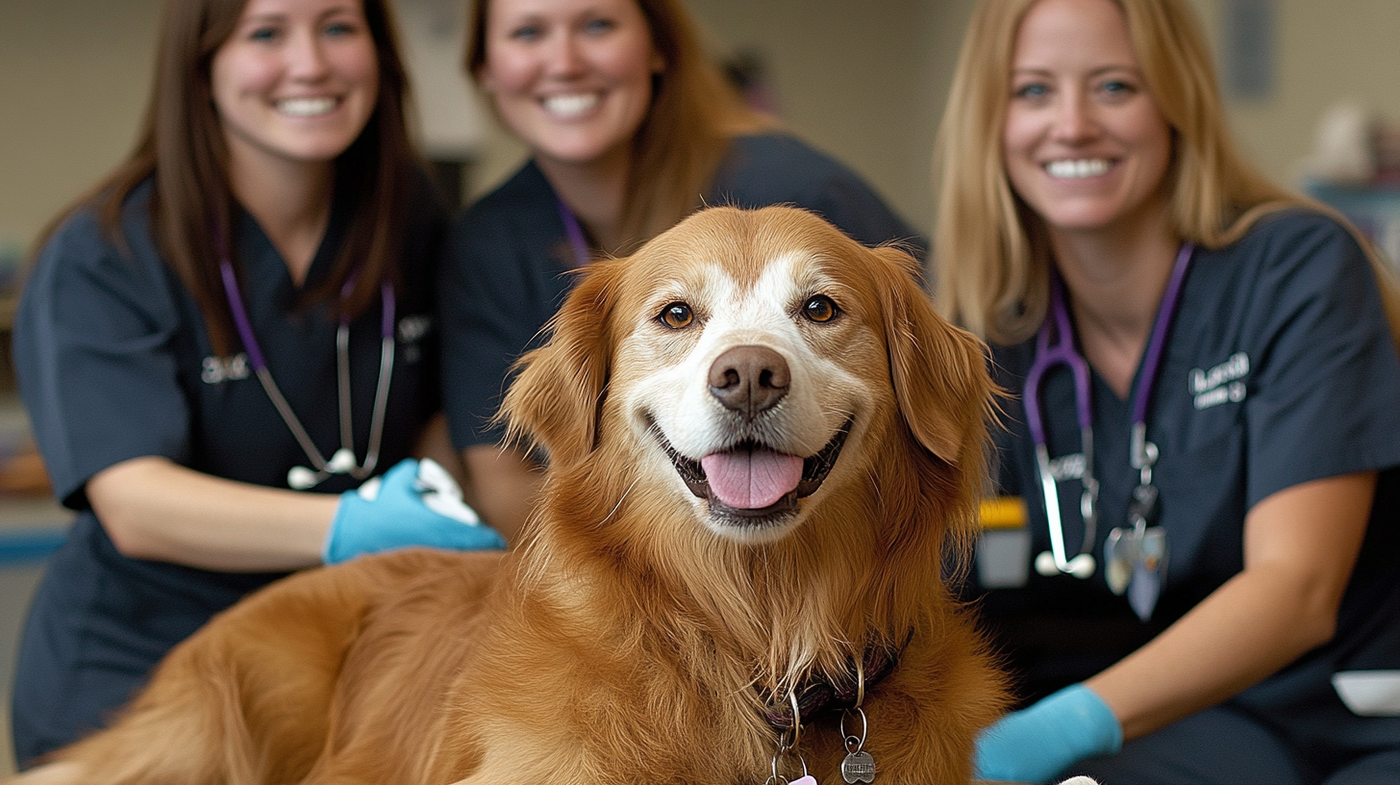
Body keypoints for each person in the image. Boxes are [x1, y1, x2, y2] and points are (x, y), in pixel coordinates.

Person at [10, 0, 507, 767]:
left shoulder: (407, 217)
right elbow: (133, 499)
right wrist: (350, 526)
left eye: (339, 27)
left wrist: (437, 495)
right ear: (202, 67)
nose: (310, 63)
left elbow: (431, 404)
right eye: (266, 33)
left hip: (339, 655)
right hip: (141, 664)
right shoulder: (105, 254)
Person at [934, 0, 1400, 782]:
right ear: (991, 118)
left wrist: (1057, 727)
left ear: (1176, 101)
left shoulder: (1298, 271)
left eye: (1116, 86)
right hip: (1178, 730)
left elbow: (1297, 589)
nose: (1074, 124)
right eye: (1034, 91)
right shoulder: (984, 337)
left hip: (1338, 717)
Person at [441, 0, 923, 533]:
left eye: (598, 25)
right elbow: (504, 480)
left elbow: (930, 410)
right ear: (484, 68)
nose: (565, 61)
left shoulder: (802, 190)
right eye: (528, 32)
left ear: (657, 47)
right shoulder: (486, 241)